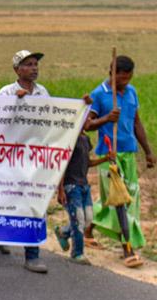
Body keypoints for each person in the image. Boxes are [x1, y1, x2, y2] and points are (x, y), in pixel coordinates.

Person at [84, 55, 154, 267]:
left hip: (129, 154)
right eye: (120, 78)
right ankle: (127, 249)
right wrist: (106, 119)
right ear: (111, 73)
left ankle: (86, 230)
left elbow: (137, 123)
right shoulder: (100, 94)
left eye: (128, 78)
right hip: (110, 155)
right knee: (121, 200)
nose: (124, 82)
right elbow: (87, 125)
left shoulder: (131, 92)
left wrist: (148, 152)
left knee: (121, 199)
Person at [0, 49, 49, 272]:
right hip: (11, 156)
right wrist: (14, 105)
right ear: (17, 69)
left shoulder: (42, 92)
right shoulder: (6, 92)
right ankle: (0, 233)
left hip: (34, 156)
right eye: (28, 64)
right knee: (7, 199)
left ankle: (32, 254)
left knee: (34, 202)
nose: (34, 68)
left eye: (35, 64)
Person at [55, 114, 109, 265]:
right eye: (88, 119)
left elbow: (88, 162)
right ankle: (77, 253)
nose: (91, 122)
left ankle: (64, 232)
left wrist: (105, 159)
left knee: (88, 219)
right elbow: (63, 165)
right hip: (71, 186)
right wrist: (60, 189)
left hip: (84, 185)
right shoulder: (70, 140)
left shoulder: (85, 139)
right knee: (78, 219)